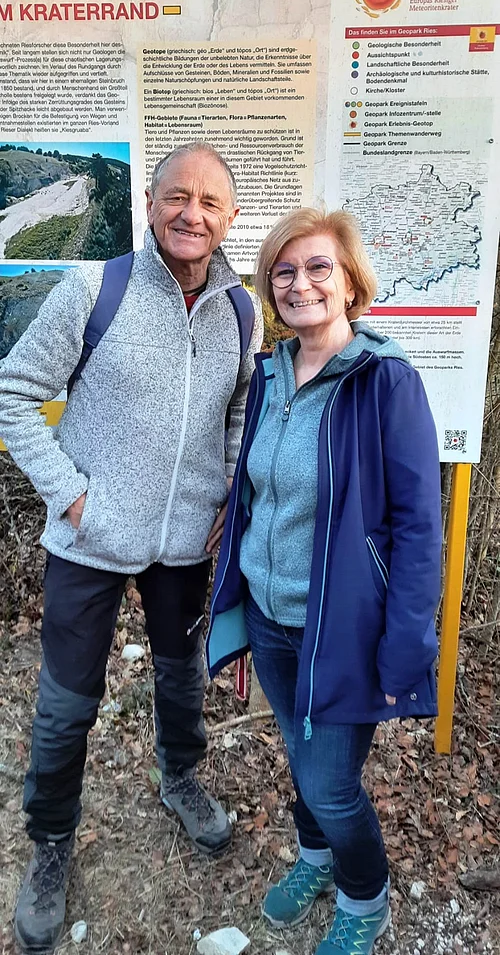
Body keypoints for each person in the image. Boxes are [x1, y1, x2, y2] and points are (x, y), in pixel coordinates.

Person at [0, 141, 263, 954]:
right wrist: (72, 493)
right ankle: (50, 842)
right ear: (150, 204)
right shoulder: (93, 288)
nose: (192, 213)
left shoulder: (242, 311)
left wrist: (223, 492)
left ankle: (179, 777)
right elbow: (14, 392)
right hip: (90, 537)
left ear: (230, 218)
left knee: (182, 675)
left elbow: (235, 415)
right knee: (67, 700)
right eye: (176, 196)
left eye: (209, 202)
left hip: (184, 543)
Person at [207, 208, 442, 955]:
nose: (300, 281)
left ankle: (366, 900)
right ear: (270, 288)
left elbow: (417, 526)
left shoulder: (386, 382)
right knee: (298, 751)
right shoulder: (270, 374)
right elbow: (257, 495)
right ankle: (314, 857)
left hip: (341, 630)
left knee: (334, 784)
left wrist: (407, 640)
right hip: (272, 618)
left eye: (318, 267)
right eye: (284, 270)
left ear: (349, 283)